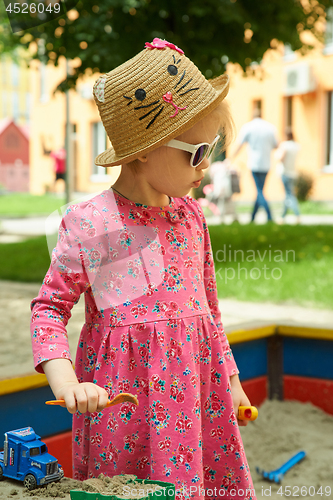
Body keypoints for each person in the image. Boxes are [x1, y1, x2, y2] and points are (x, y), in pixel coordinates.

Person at [30, 38, 256, 499]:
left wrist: (231, 383)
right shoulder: (91, 223)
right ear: (142, 150)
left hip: (197, 402)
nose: (207, 165)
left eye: (212, 148)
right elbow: (49, 309)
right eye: (195, 152)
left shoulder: (192, 217)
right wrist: (67, 380)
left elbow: (209, 312)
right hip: (125, 410)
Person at [231, 108, 278, 222]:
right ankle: (252, 217)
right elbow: (276, 145)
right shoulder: (270, 128)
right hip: (266, 164)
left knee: (259, 191)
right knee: (260, 190)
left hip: (255, 163)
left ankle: (270, 216)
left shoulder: (248, 127)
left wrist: (231, 157)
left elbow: (240, 144)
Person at [276, 129, 301, 223]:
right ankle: (283, 216)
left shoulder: (285, 145)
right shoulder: (297, 146)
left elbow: (281, 158)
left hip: (285, 172)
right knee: (288, 195)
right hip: (293, 173)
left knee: (289, 195)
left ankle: (297, 214)